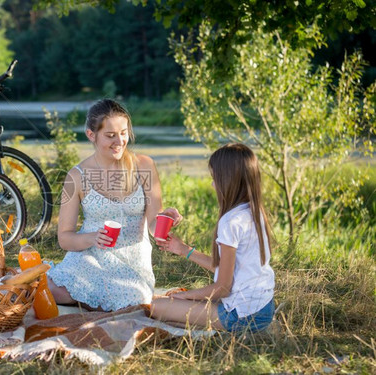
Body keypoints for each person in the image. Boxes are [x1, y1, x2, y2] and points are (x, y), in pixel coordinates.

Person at [47, 99, 181, 312]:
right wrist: (93, 238)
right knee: (49, 291)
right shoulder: (76, 176)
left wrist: (166, 220)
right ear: (91, 135)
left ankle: (89, 300)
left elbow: (154, 226)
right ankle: (87, 298)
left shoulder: (144, 166)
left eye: (123, 133)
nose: (119, 141)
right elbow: (65, 238)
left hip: (131, 263)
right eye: (110, 135)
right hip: (89, 258)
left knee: (134, 302)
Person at [150, 143, 275, 333]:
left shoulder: (230, 222)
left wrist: (187, 297)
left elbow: (223, 288)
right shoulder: (254, 212)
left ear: (227, 180)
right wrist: (183, 249)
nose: (212, 184)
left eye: (214, 178)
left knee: (154, 307)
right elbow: (228, 269)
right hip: (263, 308)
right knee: (170, 302)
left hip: (240, 316)